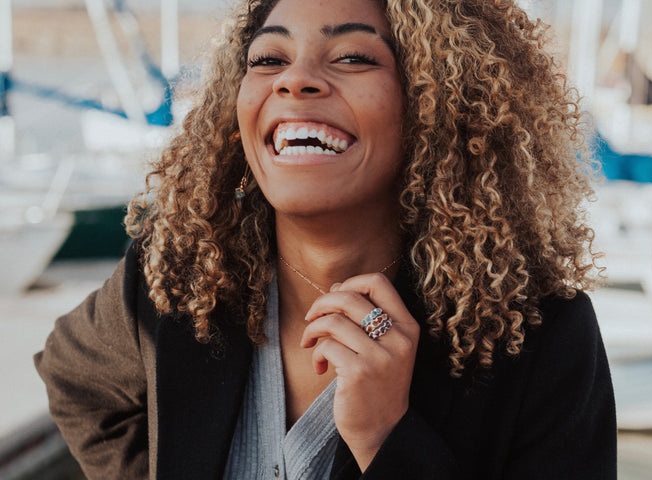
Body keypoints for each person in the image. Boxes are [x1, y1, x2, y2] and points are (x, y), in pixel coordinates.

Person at [35, 0, 616, 479]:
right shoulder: (180, 274)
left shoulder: (541, 338)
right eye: (268, 58)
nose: (296, 79)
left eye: (353, 57)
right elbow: (74, 380)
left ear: (437, 106)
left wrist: (387, 438)